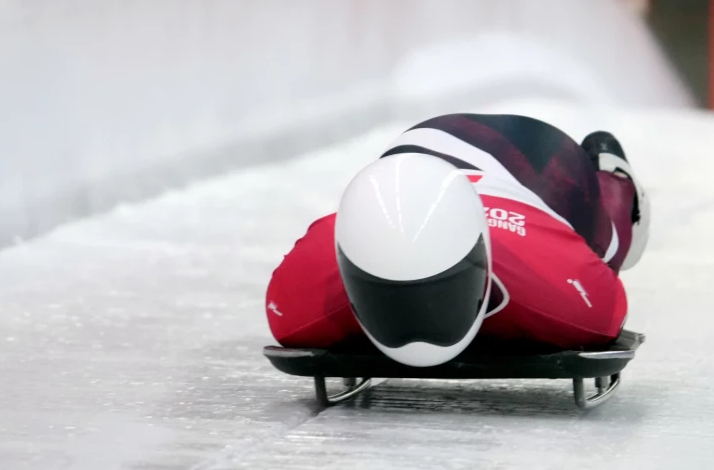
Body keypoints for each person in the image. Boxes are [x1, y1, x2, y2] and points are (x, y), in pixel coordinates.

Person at [265, 113, 650, 367]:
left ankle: (609, 171)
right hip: (415, 163)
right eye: (385, 295)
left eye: (438, 292)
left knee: (612, 245)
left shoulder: (562, 294)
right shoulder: (297, 303)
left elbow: (609, 308)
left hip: (538, 163)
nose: (417, 321)